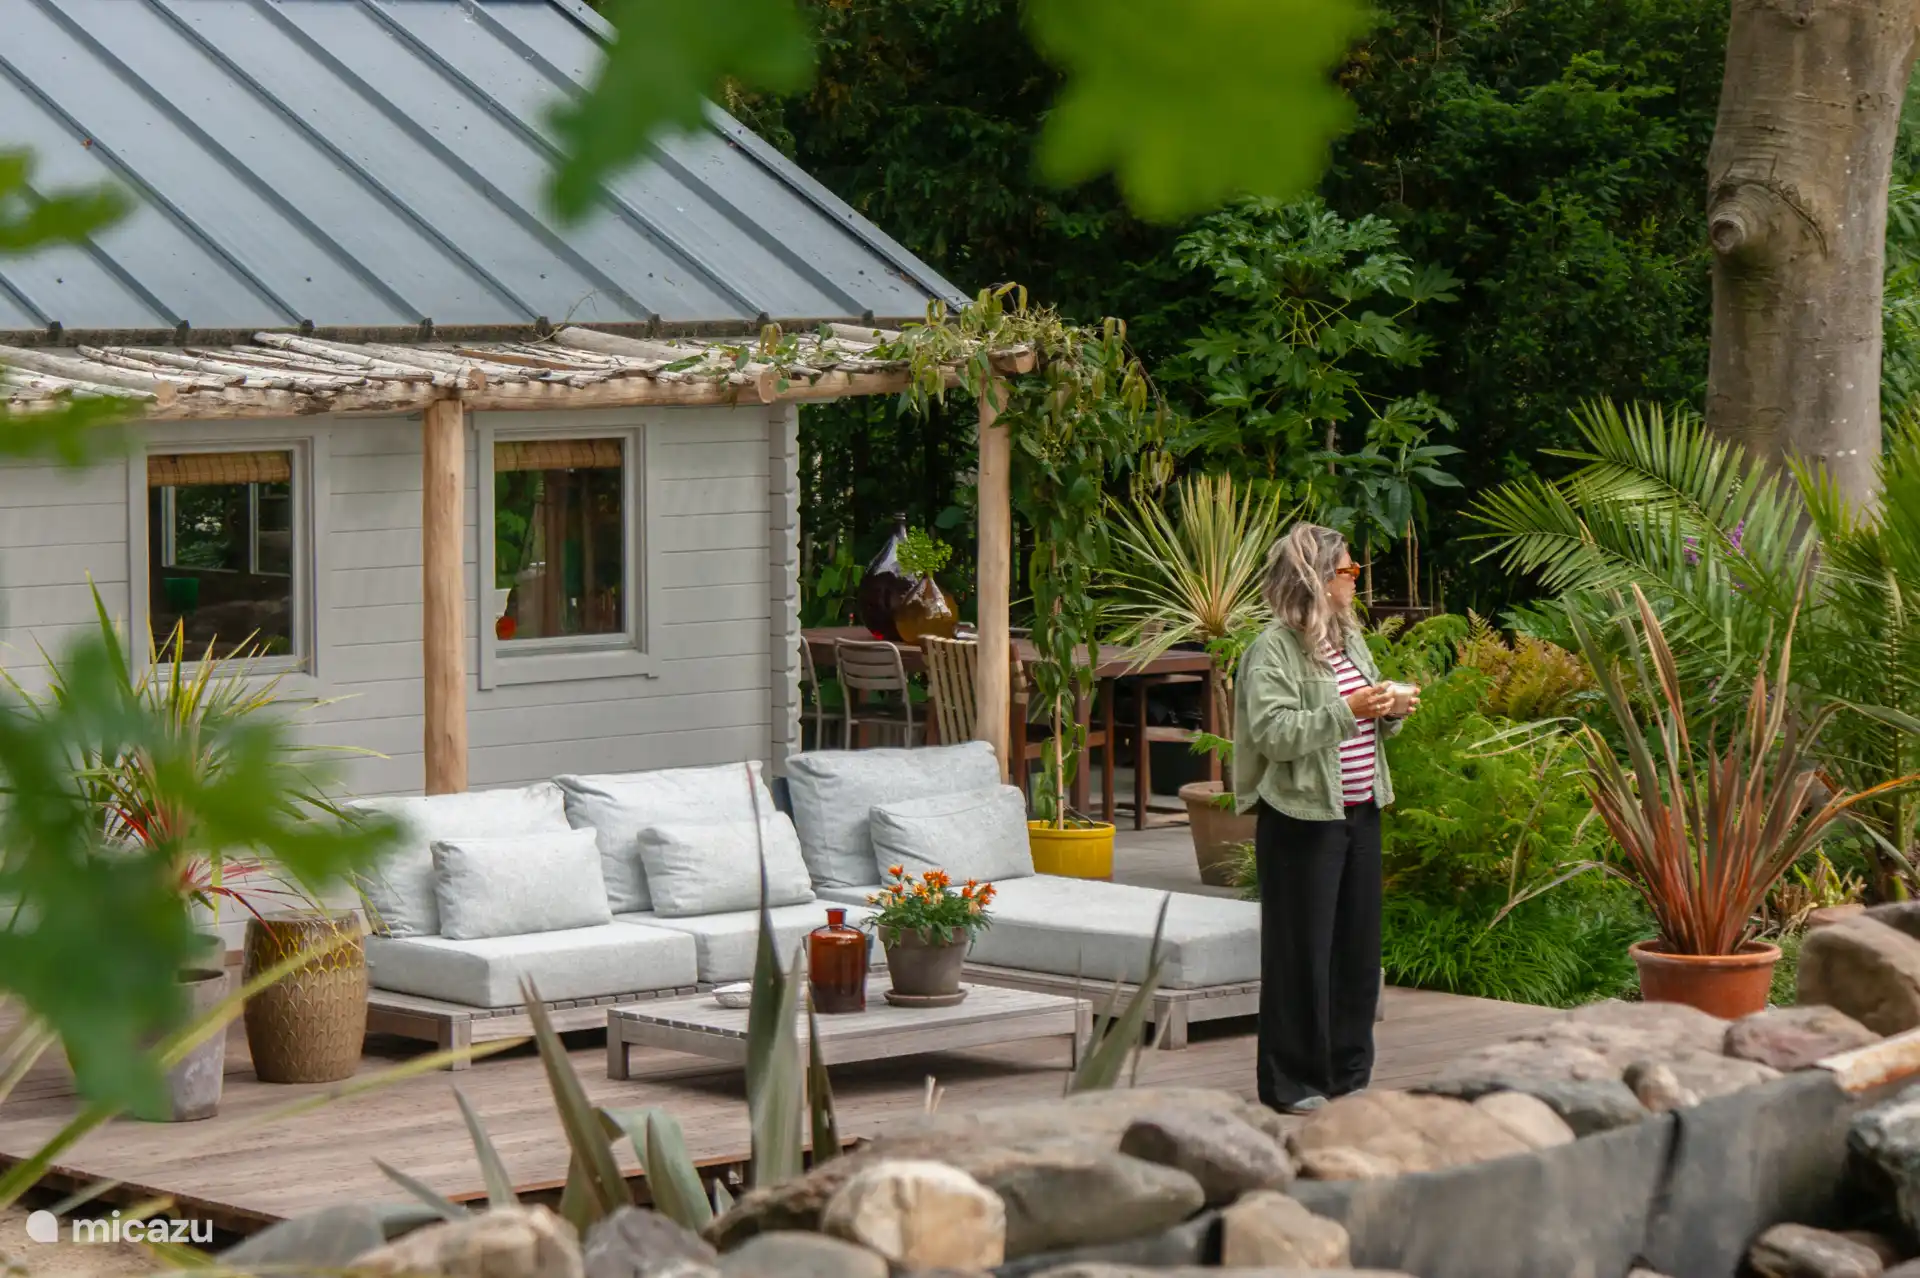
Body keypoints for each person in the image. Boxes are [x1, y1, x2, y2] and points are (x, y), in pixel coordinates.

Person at [1233, 523, 1418, 1113]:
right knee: (1300, 955)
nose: (1355, 581)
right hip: (1301, 818)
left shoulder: (1347, 639)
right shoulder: (1272, 650)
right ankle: (1294, 1084)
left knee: (1356, 950)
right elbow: (1274, 733)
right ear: (1316, 579)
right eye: (1348, 572)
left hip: (1360, 811)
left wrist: (1390, 709)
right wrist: (1349, 709)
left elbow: (1362, 714)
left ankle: (1347, 1073)